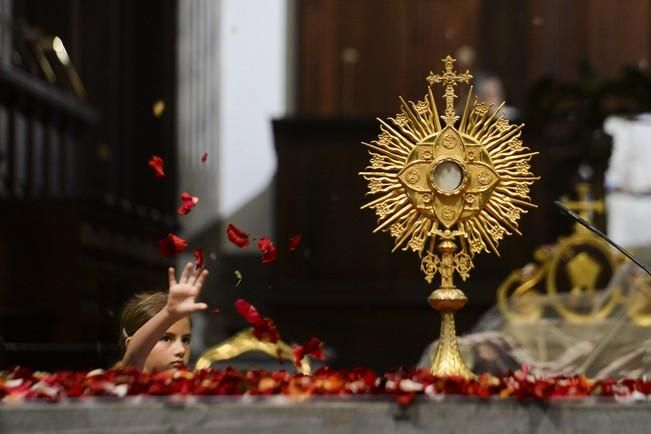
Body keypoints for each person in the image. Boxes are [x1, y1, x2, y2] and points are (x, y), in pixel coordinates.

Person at [116, 262, 209, 372]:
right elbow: (133, 357)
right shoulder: (120, 383)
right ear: (130, 344)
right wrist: (168, 315)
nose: (181, 350)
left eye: (185, 340)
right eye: (166, 338)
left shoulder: (195, 384)